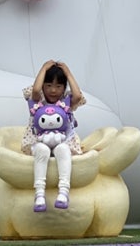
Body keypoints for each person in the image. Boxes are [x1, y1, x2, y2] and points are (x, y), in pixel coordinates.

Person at [22, 60, 85, 212]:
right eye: (49, 85)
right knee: (42, 150)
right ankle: (39, 194)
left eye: (58, 86)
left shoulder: (66, 102)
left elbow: (77, 95)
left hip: (62, 140)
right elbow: (36, 90)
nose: (53, 90)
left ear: (64, 87)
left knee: (63, 150)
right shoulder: (39, 100)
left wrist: (68, 73)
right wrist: (44, 68)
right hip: (39, 141)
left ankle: (63, 192)